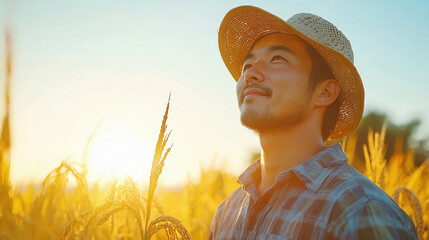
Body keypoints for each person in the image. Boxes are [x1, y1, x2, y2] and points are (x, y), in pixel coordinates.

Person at [209, 5, 418, 240]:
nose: (250, 74)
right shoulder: (225, 214)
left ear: (325, 92)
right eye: (247, 65)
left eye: (277, 59)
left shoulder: (360, 211)